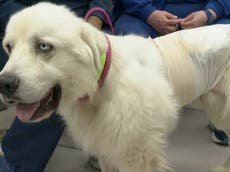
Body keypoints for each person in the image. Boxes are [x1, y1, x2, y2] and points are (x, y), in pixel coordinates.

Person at [0, 1, 111, 172]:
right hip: (19, 16)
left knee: (60, 82)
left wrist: (93, 21)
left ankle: (14, 163)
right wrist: (28, 24)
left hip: (75, 20)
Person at [112, 0, 230, 145]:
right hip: (146, 15)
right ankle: (127, 127)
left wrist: (210, 13)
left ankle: (224, 117)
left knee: (225, 37)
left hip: (204, 15)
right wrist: (149, 13)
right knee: (129, 40)